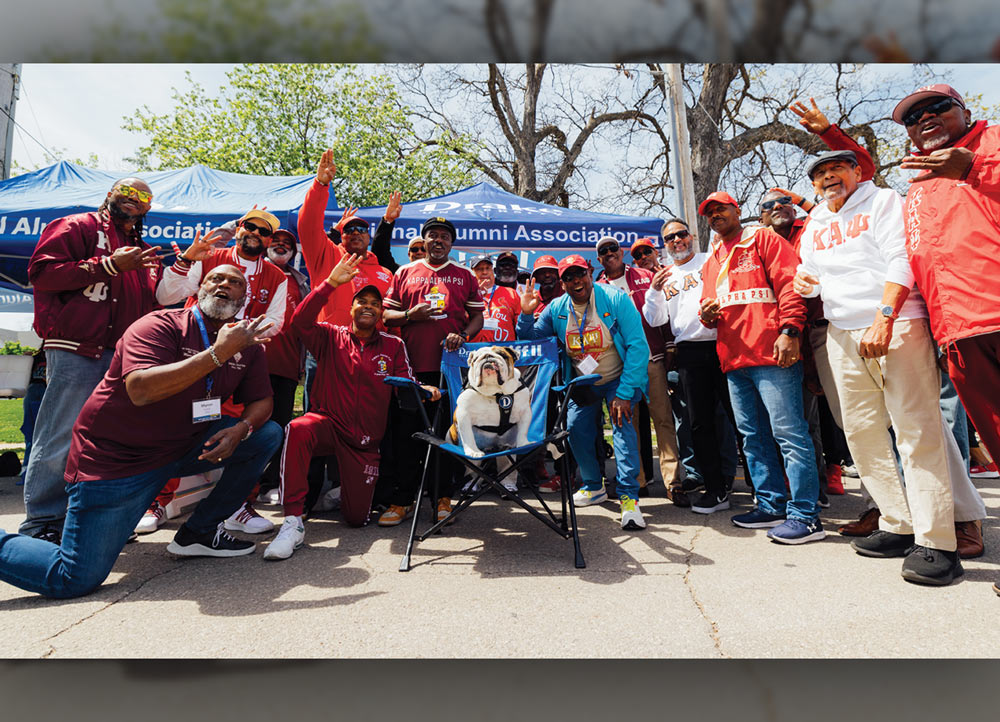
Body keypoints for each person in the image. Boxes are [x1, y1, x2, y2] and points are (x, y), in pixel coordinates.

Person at [0, 265, 282, 599]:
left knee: (266, 434)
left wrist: (240, 429)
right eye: (215, 279)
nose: (224, 285)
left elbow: (262, 399)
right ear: (198, 288)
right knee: (74, 576)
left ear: (244, 299)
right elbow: (141, 390)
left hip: (183, 446)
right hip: (119, 460)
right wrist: (218, 353)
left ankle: (199, 534)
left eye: (235, 283)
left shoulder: (247, 345)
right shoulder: (158, 325)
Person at [794, 148, 985, 585]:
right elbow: (808, 272)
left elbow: (902, 260)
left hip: (897, 323)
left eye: (836, 168)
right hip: (843, 332)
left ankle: (938, 542)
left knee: (917, 433)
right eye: (820, 173)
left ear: (857, 171)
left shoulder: (881, 201)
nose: (828, 178)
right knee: (861, 434)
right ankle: (898, 523)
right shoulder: (817, 222)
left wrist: (885, 316)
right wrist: (806, 281)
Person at [893, 82, 1000, 582]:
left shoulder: (992, 143)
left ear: (965, 110)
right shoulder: (917, 185)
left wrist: (976, 170)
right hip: (956, 331)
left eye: (938, 108)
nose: (925, 119)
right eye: (914, 118)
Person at [264, 254, 439, 560]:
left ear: (381, 312)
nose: (368, 306)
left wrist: (423, 389)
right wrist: (330, 284)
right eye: (362, 302)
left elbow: (406, 383)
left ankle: (343, 493)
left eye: (375, 303)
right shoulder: (330, 336)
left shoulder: (393, 345)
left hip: (364, 444)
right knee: (298, 428)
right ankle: (292, 521)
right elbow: (300, 321)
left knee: (357, 519)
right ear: (352, 308)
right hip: (328, 425)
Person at [22, 177, 163, 543]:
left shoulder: (140, 249)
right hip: (76, 348)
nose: (134, 199)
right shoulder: (77, 225)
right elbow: (41, 274)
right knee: (61, 435)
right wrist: (109, 267)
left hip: (119, 357)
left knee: (105, 443)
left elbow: (152, 302)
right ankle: (42, 522)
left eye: (143, 197)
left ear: (148, 209)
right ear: (109, 195)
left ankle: (87, 519)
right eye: (127, 192)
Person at [698, 191, 823, 544]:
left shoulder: (761, 237)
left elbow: (789, 285)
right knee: (754, 438)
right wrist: (705, 315)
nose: (715, 216)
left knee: (790, 435)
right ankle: (771, 504)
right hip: (734, 359)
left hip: (772, 354)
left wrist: (790, 330)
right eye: (709, 213)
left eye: (721, 208)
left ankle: (806, 516)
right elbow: (708, 312)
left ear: (737, 210)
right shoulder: (713, 259)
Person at [155, 207, 288, 534]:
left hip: (237, 363)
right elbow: (166, 295)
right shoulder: (209, 256)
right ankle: (157, 500)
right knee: (173, 422)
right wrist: (186, 260)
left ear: (269, 239)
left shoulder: (277, 276)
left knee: (248, 429)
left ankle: (237, 505)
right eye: (250, 226)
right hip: (192, 354)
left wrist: (244, 336)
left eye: (264, 231)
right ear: (239, 227)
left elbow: (276, 321)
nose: (255, 233)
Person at [517, 254, 650, 531]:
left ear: (590, 273)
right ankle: (593, 486)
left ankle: (629, 500)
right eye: (568, 277)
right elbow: (532, 343)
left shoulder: (615, 299)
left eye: (579, 274)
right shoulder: (556, 309)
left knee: (623, 431)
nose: (575, 281)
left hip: (617, 379)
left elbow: (638, 346)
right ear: (562, 284)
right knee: (576, 430)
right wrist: (527, 315)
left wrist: (625, 393)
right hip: (581, 382)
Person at [377, 217, 484, 526]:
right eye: (433, 236)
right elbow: (387, 315)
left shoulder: (464, 275)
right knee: (406, 436)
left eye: (445, 237)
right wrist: (411, 314)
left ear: (452, 243)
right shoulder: (405, 272)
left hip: (449, 371)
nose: (439, 240)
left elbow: (477, 316)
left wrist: (463, 335)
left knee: (446, 435)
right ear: (423, 241)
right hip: (409, 368)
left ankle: (442, 497)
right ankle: (403, 500)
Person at [643, 218, 746, 513]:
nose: (676, 240)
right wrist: (653, 290)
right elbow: (655, 320)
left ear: (691, 236)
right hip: (689, 350)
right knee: (699, 423)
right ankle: (715, 489)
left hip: (724, 343)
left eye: (681, 234)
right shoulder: (665, 275)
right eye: (669, 238)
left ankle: (763, 488)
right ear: (664, 245)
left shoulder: (710, 259)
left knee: (741, 418)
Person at [594, 236, 681, 502]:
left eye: (613, 249)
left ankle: (673, 482)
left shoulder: (645, 275)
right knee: (629, 423)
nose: (609, 253)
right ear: (599, 259)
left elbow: (663, 311)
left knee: (663, 420)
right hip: (622, 364)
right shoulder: (597, 287)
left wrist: (669, 348)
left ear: (621, 252)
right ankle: (637, 481)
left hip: (652, 358)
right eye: (603, 251)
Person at [468, 254, 521, 343]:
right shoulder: (466, 295)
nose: (484, 272)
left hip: (504, 351)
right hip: (474, 351)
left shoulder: (511, 293)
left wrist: (529, 314)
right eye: (479, 269)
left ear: (493, 271)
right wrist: (474, 295)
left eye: (488, 268)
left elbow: (521, 327)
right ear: (472, 273)